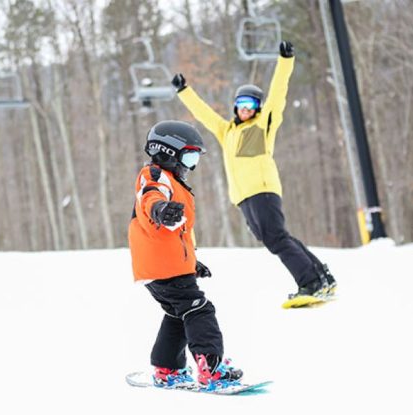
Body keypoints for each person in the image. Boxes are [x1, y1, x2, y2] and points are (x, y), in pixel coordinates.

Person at [170, 41, 336, 300]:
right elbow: (204, 115)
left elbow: (278, 92)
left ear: (257, 107)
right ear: (235, 106)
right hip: (243, 197)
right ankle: (322, 277)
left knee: (276, 239)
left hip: (262, 190)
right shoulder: (228, 131)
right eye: (241, 104)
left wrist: (285, 60)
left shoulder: (263, 124)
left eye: (250, 104)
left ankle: (311, 282)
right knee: (277, 238)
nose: (245, 109)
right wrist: (184, 91)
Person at [128, 120, 243, 388]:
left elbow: (176, 235)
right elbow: (151, 196)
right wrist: (159, 209)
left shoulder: (173, 181)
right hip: (162, 267)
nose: (191, 166)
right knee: (200, 309)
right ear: (169, 152)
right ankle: (211, 368)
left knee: (178, 313)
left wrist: (192, 262)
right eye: (189, 157)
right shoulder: (155, 175)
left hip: (162, 267)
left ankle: (167, 368)